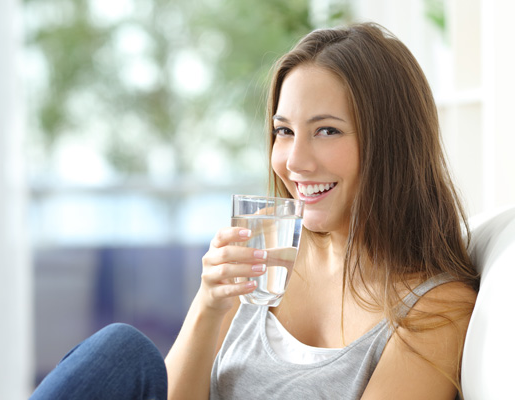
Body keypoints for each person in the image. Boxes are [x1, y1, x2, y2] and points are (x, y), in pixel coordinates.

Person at [30, 22, 479, 400]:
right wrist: (209, 304)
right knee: (121, 351)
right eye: (283, 131)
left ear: (392, 146)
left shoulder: (436, 309)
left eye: (326, 131)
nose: (295, 161)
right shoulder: (267, 252)